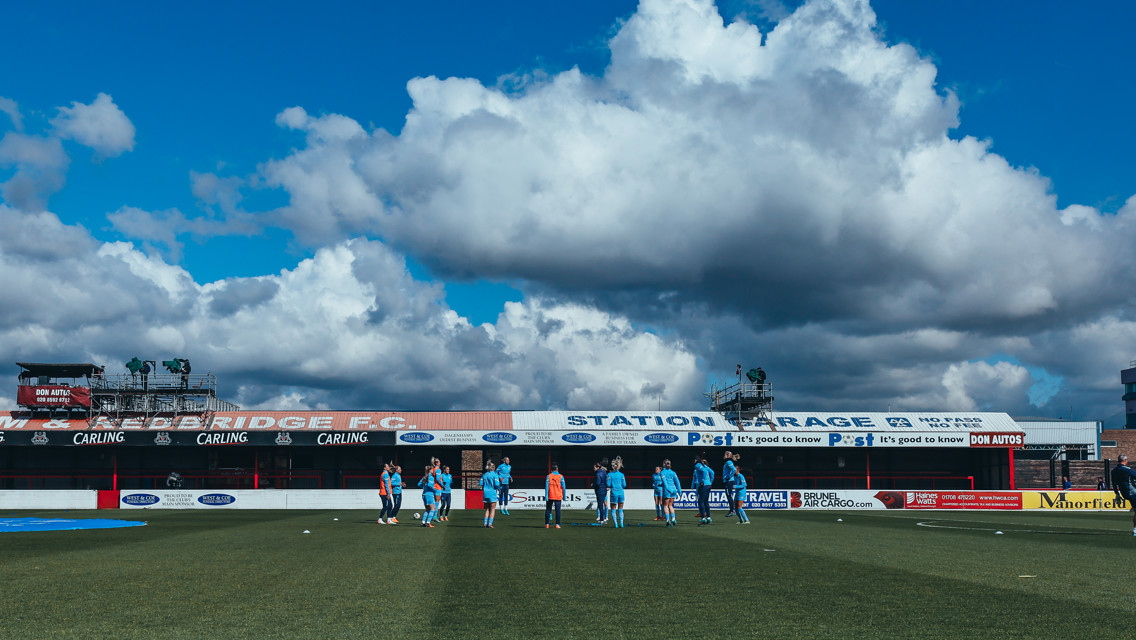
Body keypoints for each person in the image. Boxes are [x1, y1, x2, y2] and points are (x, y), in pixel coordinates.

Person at [1110, 454, 1136, 535]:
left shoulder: (1114, 471)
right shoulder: (1128, 470)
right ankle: (1135, 530)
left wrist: (1117, 494)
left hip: (1124, 493)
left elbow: (1114, 484)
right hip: (1133, 492)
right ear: (1125, 460)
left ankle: (1135, 530)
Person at [693, 456, 714, 525]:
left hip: (704, 485)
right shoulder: (704, 465)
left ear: (696, 460)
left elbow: (704, 472)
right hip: (708, 485)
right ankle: (709, 517)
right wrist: (710, 482)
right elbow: (712, 473)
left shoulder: (697, 465)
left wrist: (702, 481)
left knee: (700, 501)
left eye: (694, 460)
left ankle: (703, 518)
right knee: (705, 501)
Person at [607, 456, 627, 528]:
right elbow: (624, 485)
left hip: (614, 493)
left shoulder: (609, 474)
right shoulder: (622, 475)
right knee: (621, 509)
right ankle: (621, 523)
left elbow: (608, 484)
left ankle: (616, 524)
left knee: (613, 509)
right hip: (621, 492)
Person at [660, 459, 681, 527]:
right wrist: (679, 490)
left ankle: (668, 521)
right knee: (671, 505)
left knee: (665, 506)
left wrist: (668, 489)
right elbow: (677, 482)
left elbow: (665, 482)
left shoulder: (662, 472)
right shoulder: (673, 472)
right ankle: (674, 519)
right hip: (674, 489)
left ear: (663, 464)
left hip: (668, 490)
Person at [480, 460, 501, 528]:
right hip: (492, 493)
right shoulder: (495, 475)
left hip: (485, 493)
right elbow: (497, 484)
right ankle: (490, 524)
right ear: (493, 468)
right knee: (492, 509)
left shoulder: (484, 475)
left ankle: (485, 523)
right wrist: (499, 487)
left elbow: (480, 483)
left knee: (487, 509)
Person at [545, 463, 566, 528]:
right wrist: (564, 496)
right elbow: (564, 487)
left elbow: (546, 486)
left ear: (551, 470)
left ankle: (547, 524)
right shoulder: (561, 476)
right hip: (558, 495)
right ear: (557, 469)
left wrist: (546, 495)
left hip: (550, 495)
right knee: (558, 510)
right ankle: (557, 524)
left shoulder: (549, 476)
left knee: (548, 510)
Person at [722, 451, 736, 517]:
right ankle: (731, 510)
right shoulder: (727, 462)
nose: (724, 456)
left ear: (727, 455)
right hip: (728, 481)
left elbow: (733, 470)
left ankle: (732, 510)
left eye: (725, 455)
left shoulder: (729, 462)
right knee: (728, 495)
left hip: (729, 481)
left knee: (729, 495)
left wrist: (729, 476)